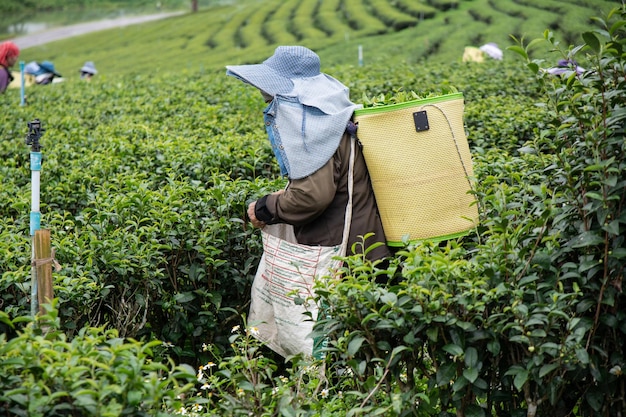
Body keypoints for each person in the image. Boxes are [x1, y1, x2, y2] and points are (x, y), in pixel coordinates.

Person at [226, 46, 390, 262]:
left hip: (343, 257)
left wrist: (265, 207)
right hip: (366, 245)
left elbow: (310, 197)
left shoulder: (313, 130)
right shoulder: (333, 117)